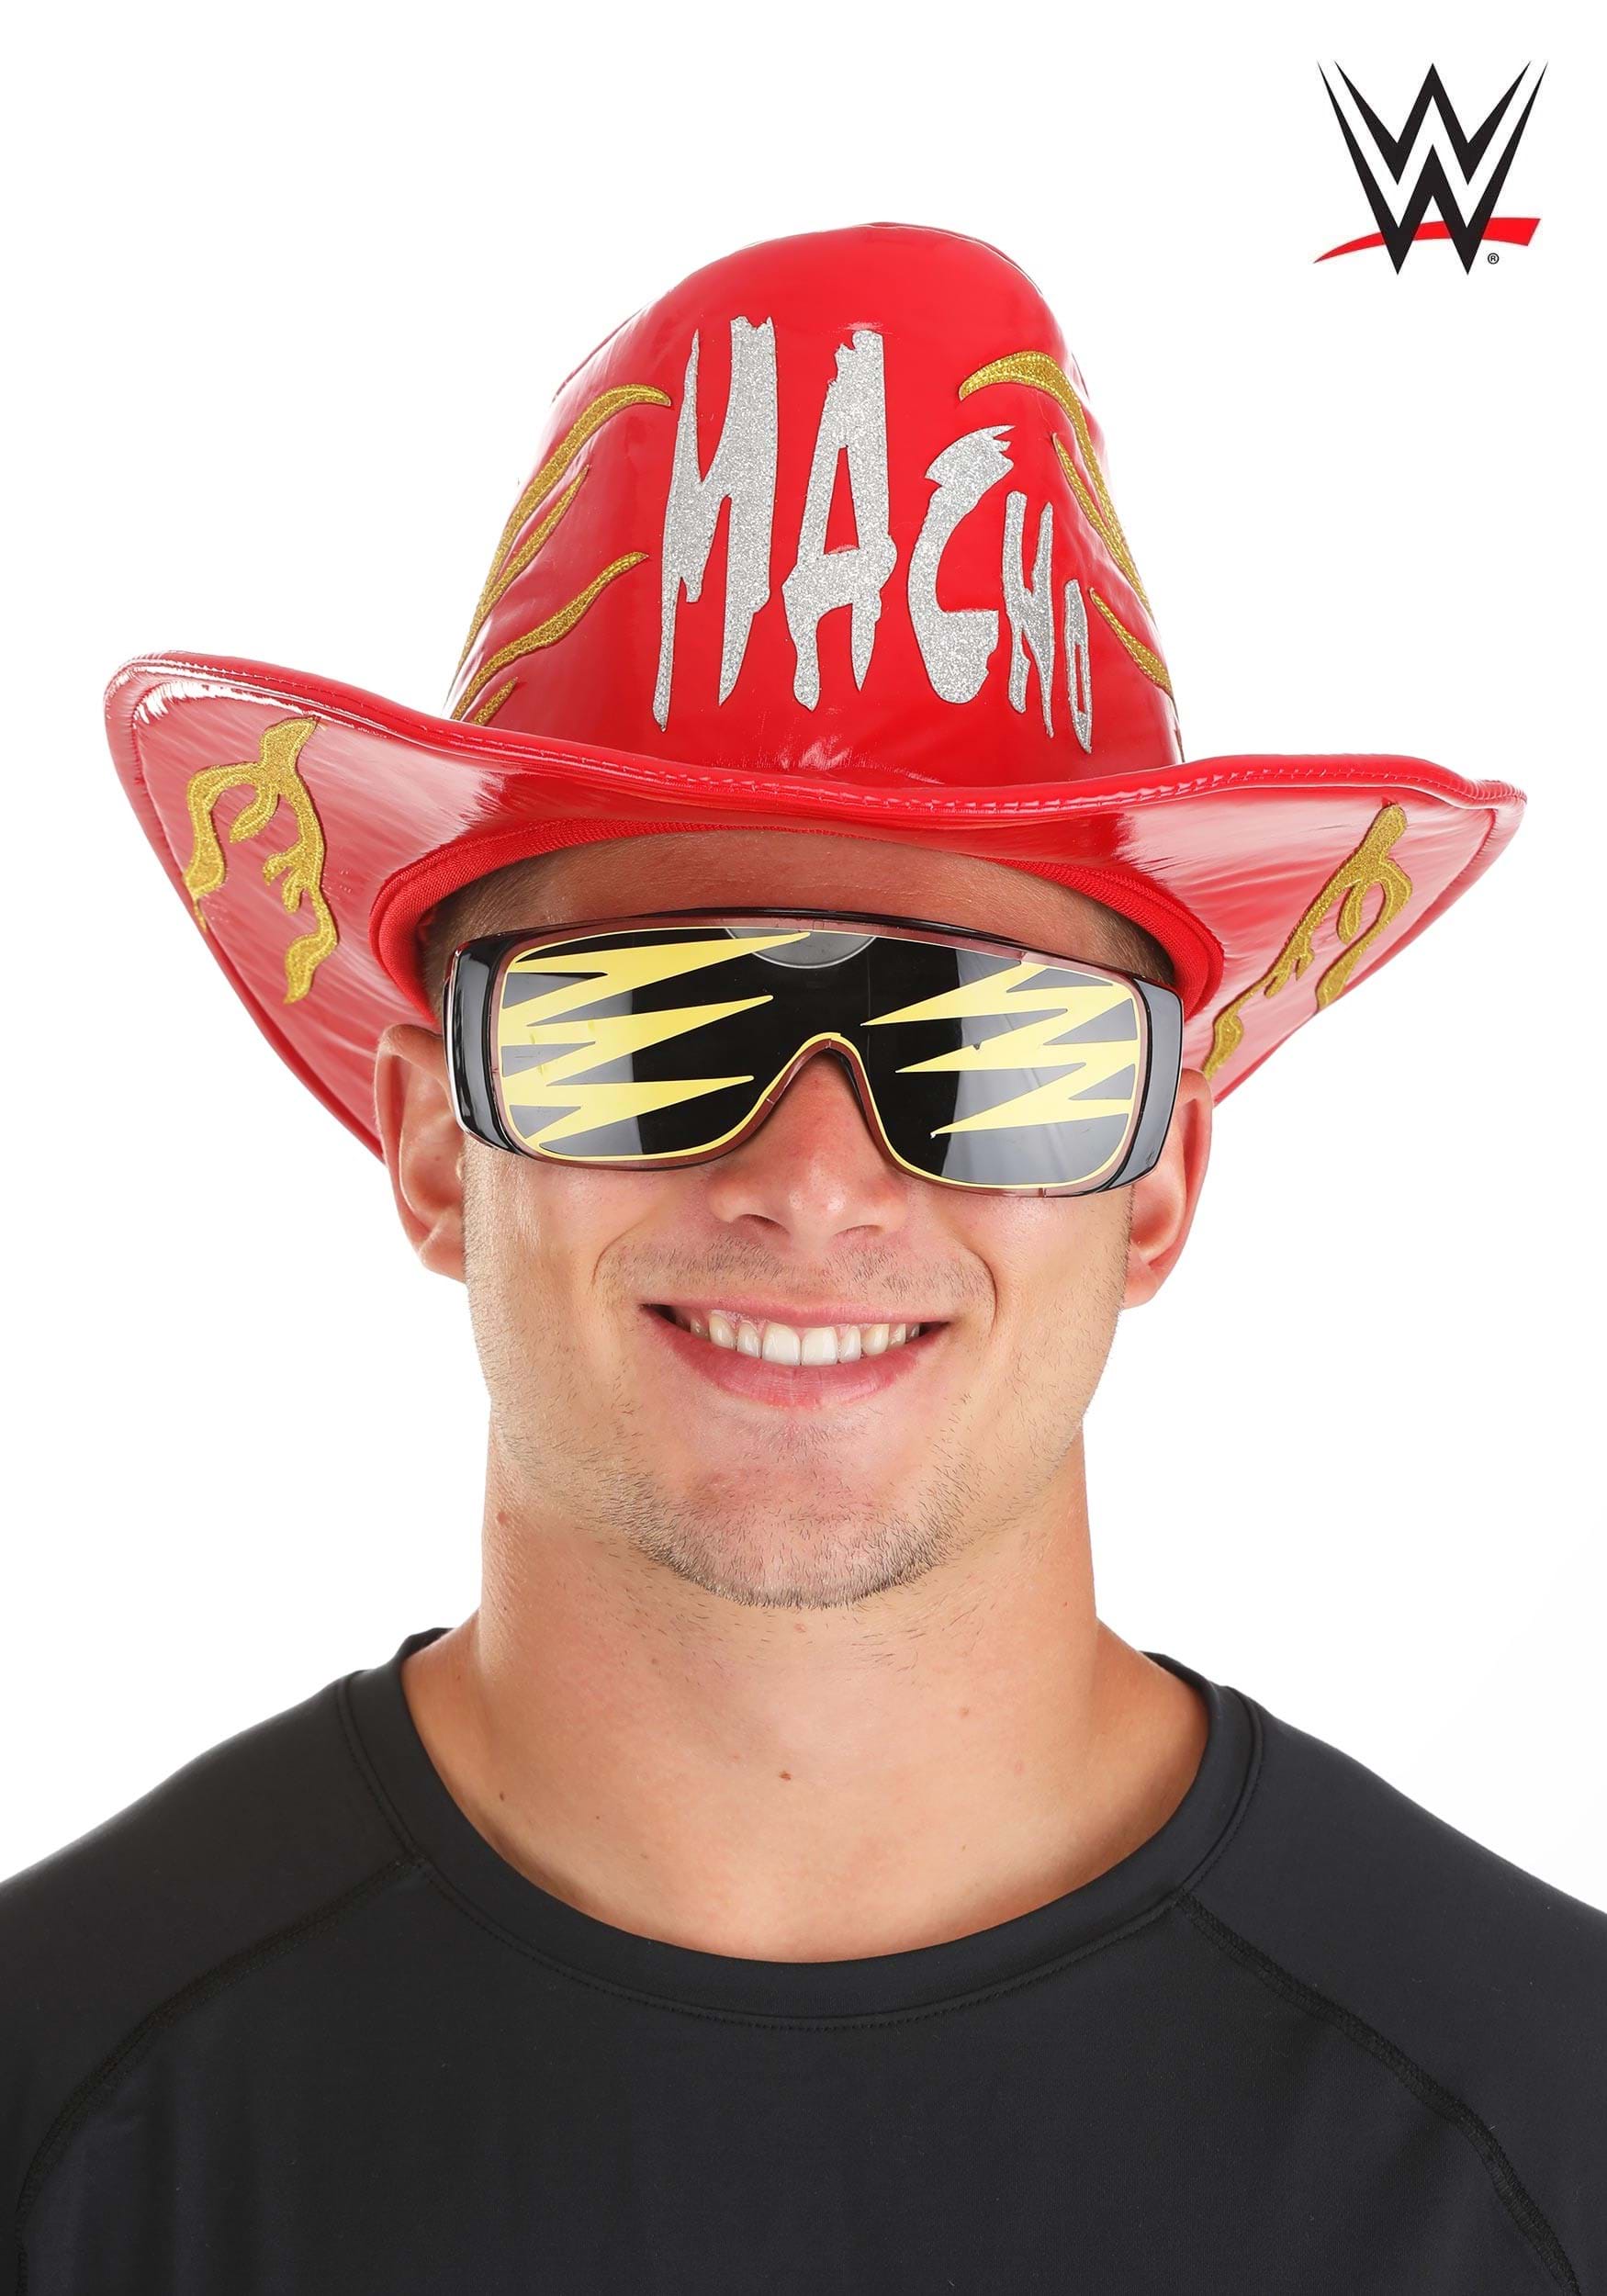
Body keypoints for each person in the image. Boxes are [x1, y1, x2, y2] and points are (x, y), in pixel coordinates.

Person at [5, 221, 1601, 2293]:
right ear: (429, 1139)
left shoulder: (1548, 2144)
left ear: (1155, 1181)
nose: (815, 1178)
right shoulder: (57, 2121)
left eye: (993, 1046)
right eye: (652, 1020)